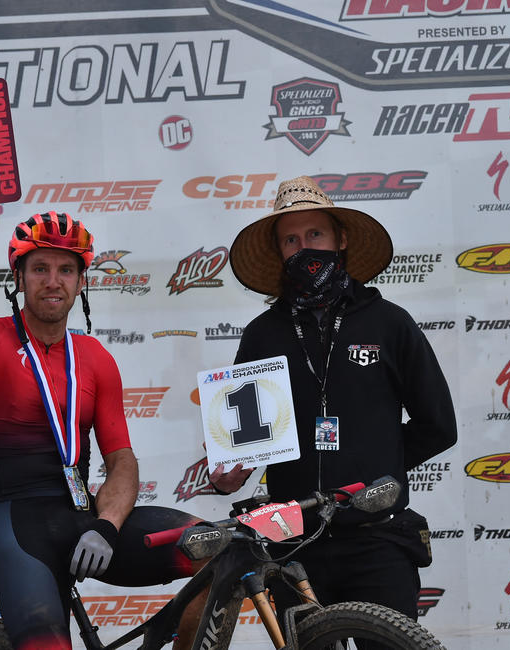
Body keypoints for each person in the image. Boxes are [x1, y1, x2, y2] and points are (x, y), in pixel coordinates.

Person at [0, 194, 204, 650]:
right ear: (19, 277)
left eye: (66, 270)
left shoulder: (95, 359)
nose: (53, 282)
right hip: (14, 525)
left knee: (215, 549)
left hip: (85, 518)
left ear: (80, 283)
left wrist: (107, 524)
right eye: (40, 269)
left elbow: (122, 462)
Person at [209, 176, 457, 648]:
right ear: (280, 252)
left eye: (315, 235)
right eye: (291, 239)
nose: (305, 248)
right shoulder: (262, 334)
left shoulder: (390, 323)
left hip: (377, 539)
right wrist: (228, 473)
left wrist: (372, 471)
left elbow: (438, 425)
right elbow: (244, 445)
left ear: (340, 239)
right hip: (292, 544)